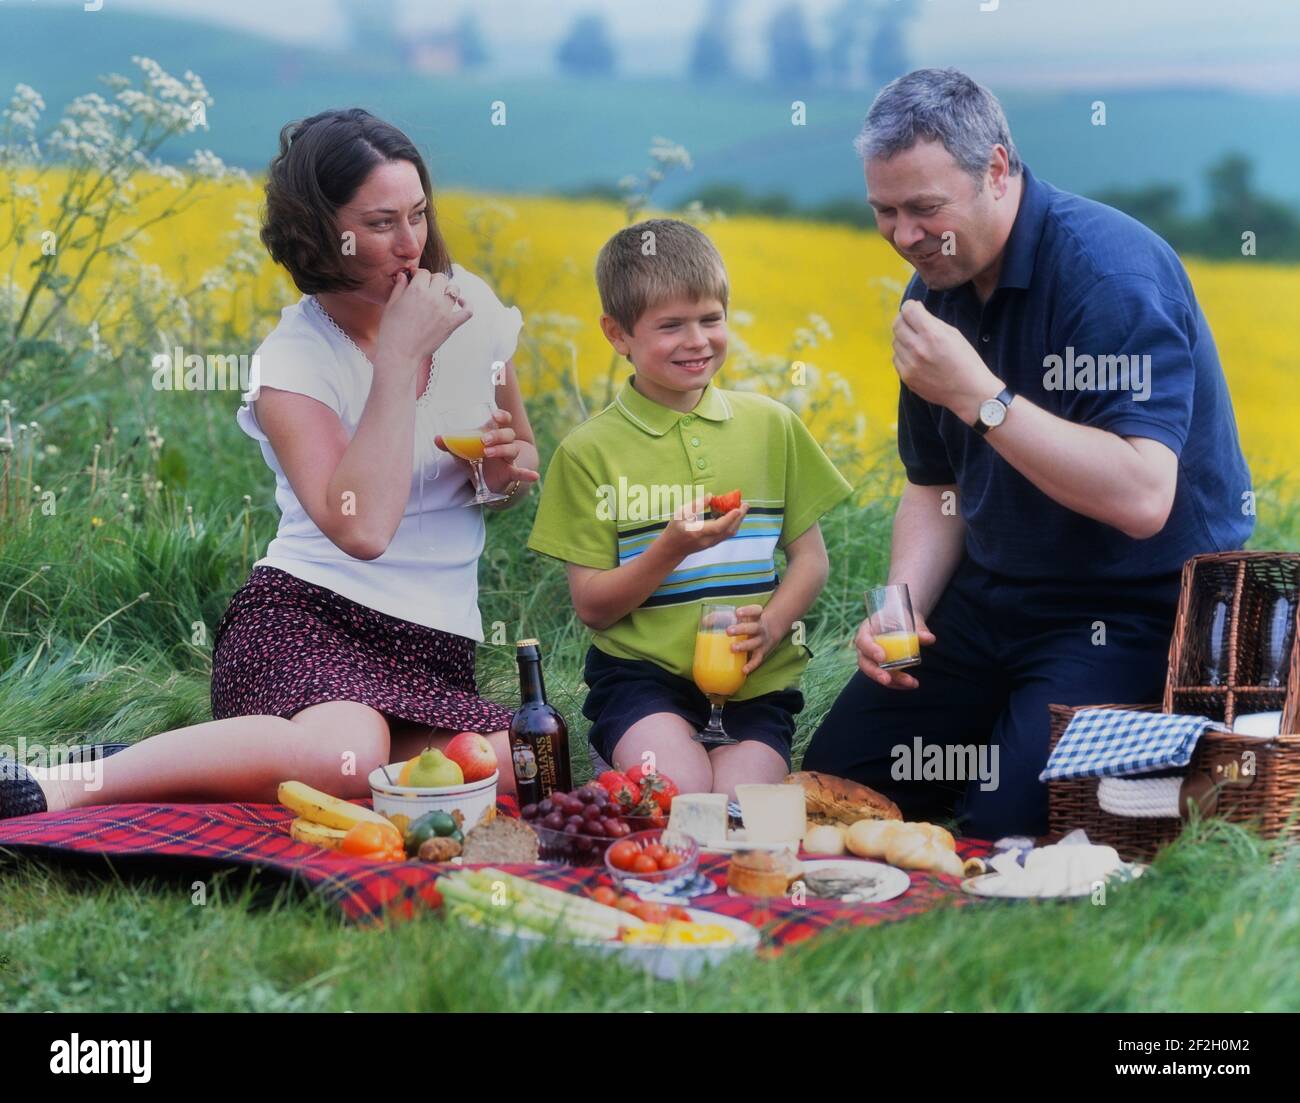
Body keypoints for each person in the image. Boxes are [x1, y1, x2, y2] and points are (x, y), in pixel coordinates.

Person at [1, 108, 539, 820]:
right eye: (381, 224)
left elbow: (520, 453)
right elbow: (363, 530)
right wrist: (400, 356)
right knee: (336, 750)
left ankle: (175, 757)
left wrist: (500, 476)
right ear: (323, 232)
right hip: (308, 619)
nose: (412, 245)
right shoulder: (295, 360)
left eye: (418, 214)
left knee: (523, 760)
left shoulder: (468, 307)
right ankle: (62, 785)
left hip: (432, 646)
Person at [802, 69, 1253, 839]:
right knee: (829, 787)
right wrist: (899, 606)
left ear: (999, 170)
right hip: (988, 598)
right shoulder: (930, 291)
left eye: (925, 209)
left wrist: (981, 395)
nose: (905, 236)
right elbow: (934, 485)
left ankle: (1120, 752)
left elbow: (1145, 497)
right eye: (884, 211)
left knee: (1000, 828)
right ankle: (1007, 732)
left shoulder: (1109, 275)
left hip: (1133, 605)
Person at [527, 219, 852, 798]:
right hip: (641, 679)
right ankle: (632, 763)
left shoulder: (773, 427)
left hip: (755, 685)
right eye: (670, 326)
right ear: (617, 334)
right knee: (679, 795)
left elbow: (811, 561)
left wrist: (773, 626)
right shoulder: (587, 453)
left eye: (710, 319)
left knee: (734, 809)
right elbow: (594, 609)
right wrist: (670, 549)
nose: (697, 340)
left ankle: (642, 780)